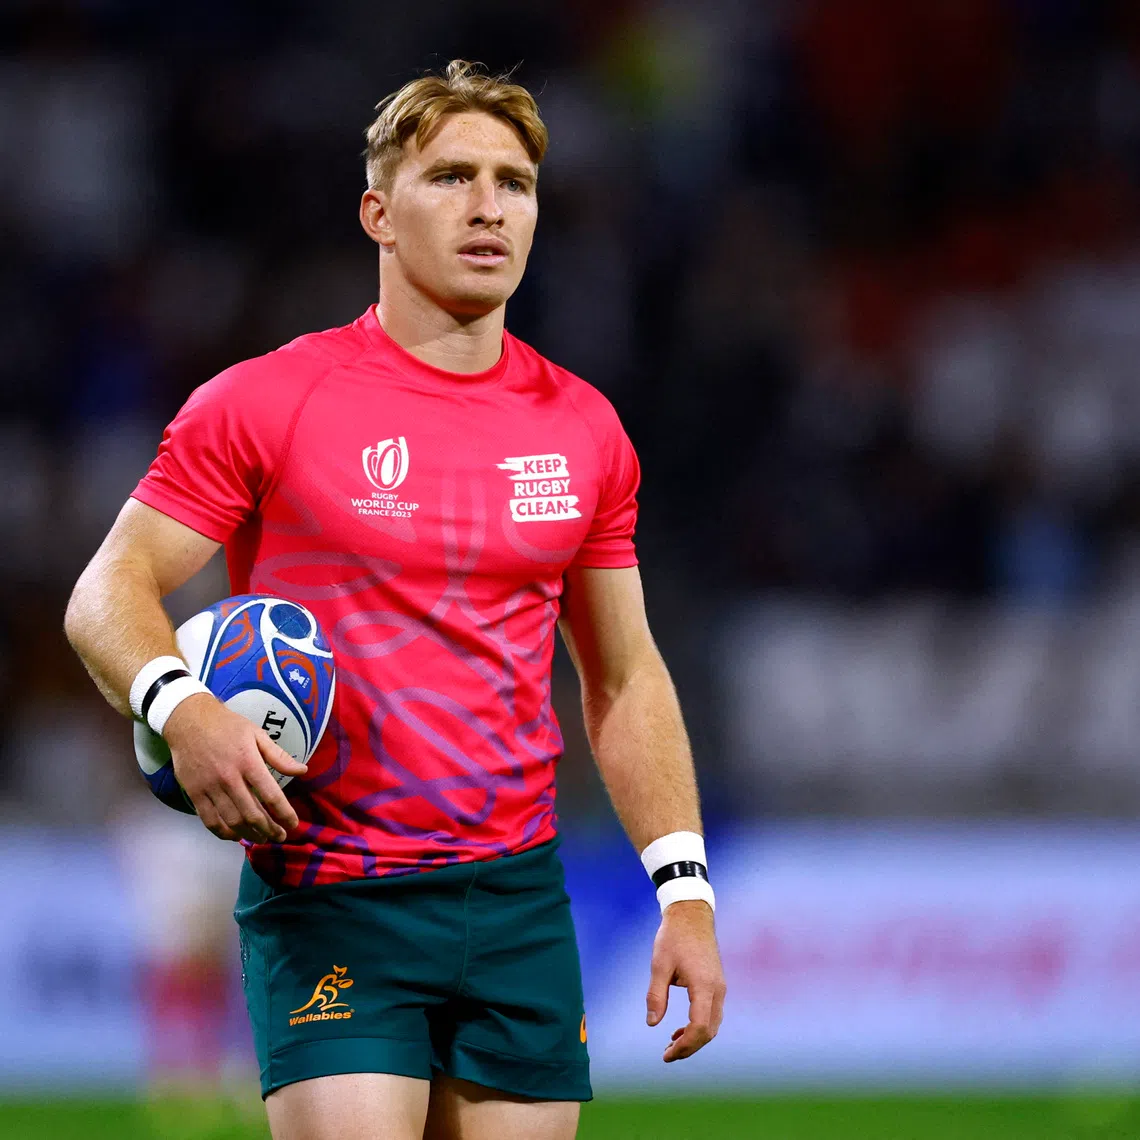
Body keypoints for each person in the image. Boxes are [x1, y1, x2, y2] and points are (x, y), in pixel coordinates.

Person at [64, 60, 725, 1140]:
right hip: (334, 896)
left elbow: (623, 674)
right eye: (452, 176)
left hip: (516, 900)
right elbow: (108, 589)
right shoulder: (268, 402)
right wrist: (182, 709)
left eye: (514, 183)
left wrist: (685, 892)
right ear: (378, 211)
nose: (488, 207)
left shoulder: (584, 430)